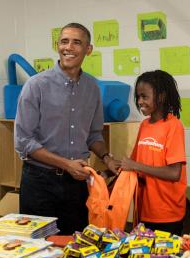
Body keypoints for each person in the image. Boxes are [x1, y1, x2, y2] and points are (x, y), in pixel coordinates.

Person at [15, 23, 119, 235]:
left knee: (75, 247)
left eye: (77, 42)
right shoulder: (36, 86)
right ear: (57, 46)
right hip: (40, 182)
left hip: (77, 185)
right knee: (38, 251)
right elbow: (23, 142)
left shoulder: (93, 88)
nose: (68, 47)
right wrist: (66, 164)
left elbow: (94, 135)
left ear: (88, 49)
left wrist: (107, 157)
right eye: (64, 41)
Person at [120, 70, 187, 236]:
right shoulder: (144, 125)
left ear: (162, 97)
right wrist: (112, 168)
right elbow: (135, 163)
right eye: (138, 97)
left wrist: (134, 165)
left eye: (144, 96)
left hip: (166, 214)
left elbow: (174, 173)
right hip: (143, 210)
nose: (140, 101)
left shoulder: (174, 126)